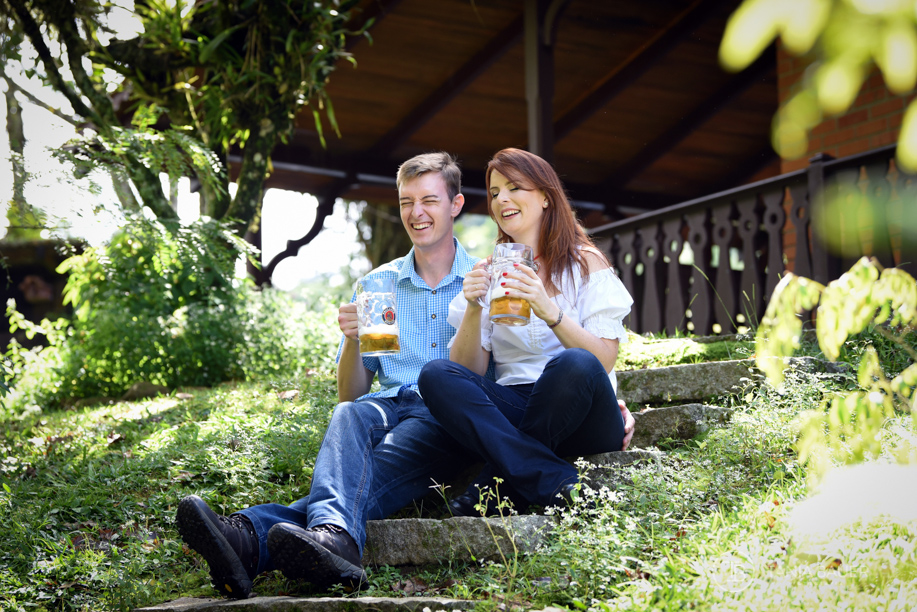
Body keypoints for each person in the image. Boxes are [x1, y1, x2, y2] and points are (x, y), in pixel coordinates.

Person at [176, 152, 479, 598]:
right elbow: (352, 391)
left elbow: (491, 378)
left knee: (361, 478)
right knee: (349, 413)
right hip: (388, 406)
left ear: (455, 205)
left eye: (429, 200)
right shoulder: (379, 285)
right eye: (406, 201)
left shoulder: (482, 279)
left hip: (446, 415)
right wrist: (354, 340)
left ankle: (249, 538)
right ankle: (334, 539)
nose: (416, 213)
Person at [418, 147, 635, 516]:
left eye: (514, 187)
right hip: (515, 408)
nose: (502, 199)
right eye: (494, 192)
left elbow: (604, 359)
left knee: (574, 364)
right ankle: (552, 480)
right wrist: (473, 307)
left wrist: (549, 310)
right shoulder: (489, 271)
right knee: (436, 374)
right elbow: (466, 372)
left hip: (582, 407)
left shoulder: (585, 263)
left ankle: (490, 489)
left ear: (546, 197)